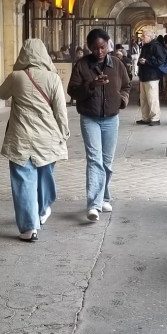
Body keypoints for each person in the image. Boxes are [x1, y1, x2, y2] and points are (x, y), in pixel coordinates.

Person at [0, 38, 70, 241]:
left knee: (23, 180)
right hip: (48, 138)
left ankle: (29, 228)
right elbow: (61, 111)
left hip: (21, 139)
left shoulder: (16, 77)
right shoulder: (53, 78)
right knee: (45, 176)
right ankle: (43, 208)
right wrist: (64, 134)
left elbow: (0, 94)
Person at [68, 27, 130, 221]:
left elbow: (126, 85)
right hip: (90, 118)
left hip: (111, 119)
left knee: (107, 161)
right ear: (89, 48)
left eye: (102, 47)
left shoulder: (117, 65)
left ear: (108, 44)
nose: (99, 52)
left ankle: (104, 197)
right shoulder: (82, 65)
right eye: (95, 48)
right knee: (94, 160)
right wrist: (91, 85)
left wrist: (122, 100)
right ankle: (94, 204)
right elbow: (73, 91)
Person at [136, 29, 167, 125]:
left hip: (152, 76)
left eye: (144, 36)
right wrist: (141, 61)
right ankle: (145, 117)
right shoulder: (145, 46)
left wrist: (146, 61)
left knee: (152, 98)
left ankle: (155, 118)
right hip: (143, 75)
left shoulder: (156, 46)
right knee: (144, 98)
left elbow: (161, 60)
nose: (142, 38)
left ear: (149, 37)